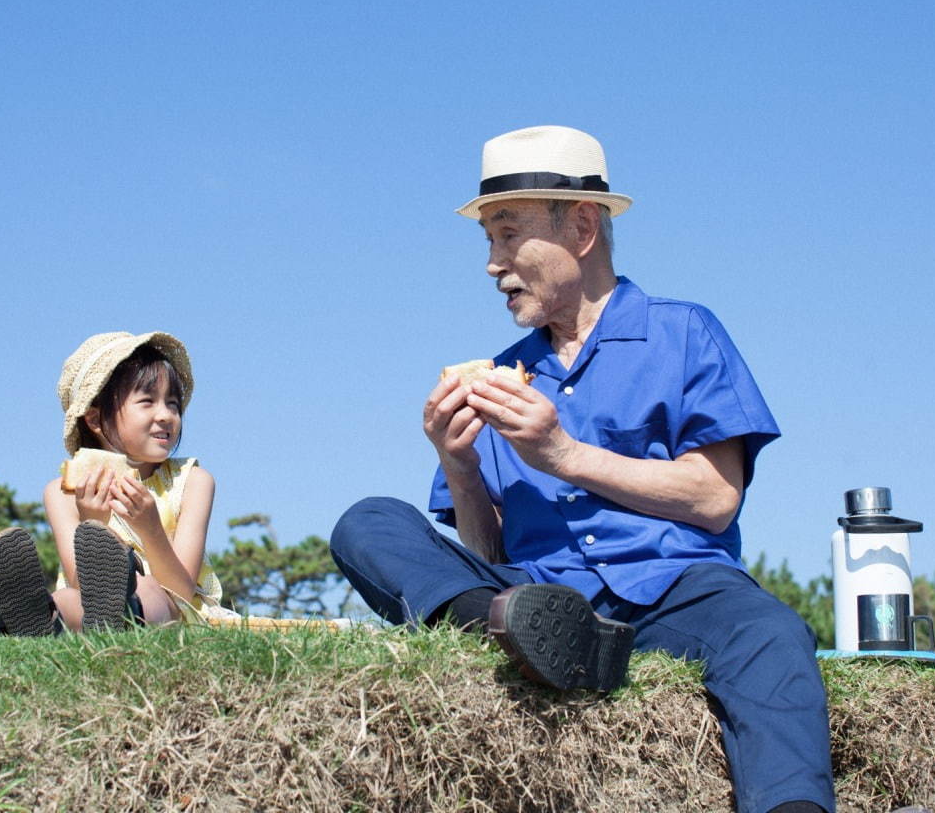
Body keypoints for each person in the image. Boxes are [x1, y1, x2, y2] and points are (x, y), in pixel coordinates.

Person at [330, 126, 835, 813]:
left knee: (770, 633)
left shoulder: (684, 332)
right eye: (487, 241)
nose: (492, 263)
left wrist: (563, 454)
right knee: (368, 523)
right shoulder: (505, 375)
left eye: (508, 234)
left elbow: (716, 498)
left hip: (676, 588)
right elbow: (489, 550)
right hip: (536, 593)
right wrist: (459, 465)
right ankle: (513, 632)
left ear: (583, 229)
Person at [0, 330, 227, 634]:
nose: (166, 415)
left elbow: (182, 592)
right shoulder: (63, 493)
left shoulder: (193, 482)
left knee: (147, 589)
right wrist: (94, 521)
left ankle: (123, 614)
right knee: (66, 598)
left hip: (175, 613)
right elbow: (84, 587)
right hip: (92, 611)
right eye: (147, 401)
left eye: (172, 404)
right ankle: (37, 619)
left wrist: (151, 529)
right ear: (94, 420)